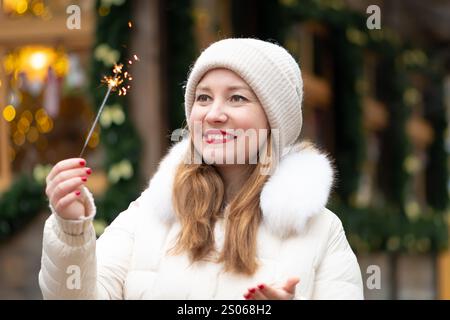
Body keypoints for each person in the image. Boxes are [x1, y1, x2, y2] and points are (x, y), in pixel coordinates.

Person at [39, 38, 364, 299]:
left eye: (237, 98)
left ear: (274, 120)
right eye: (203, 98)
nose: (213, 114)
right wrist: (71, 229)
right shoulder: (148, 214)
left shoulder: (322, 232)